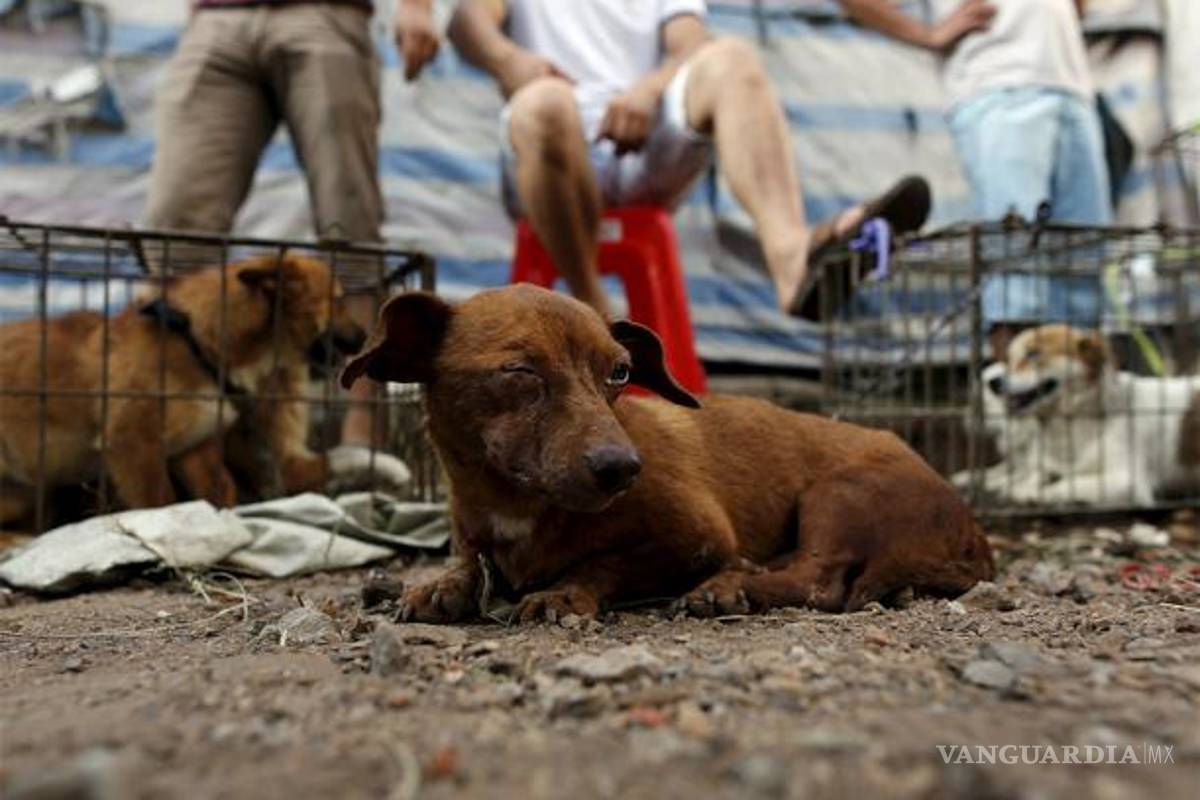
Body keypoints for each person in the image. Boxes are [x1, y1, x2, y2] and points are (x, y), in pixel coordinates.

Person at [449, 0, 931, 321]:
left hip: (639, 151)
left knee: (733, 59)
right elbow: (467, 21)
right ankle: (591, 305)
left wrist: (650, 88)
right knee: (546, 103)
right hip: (546, 158)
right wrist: (509, 60)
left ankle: (792, 258)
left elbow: (691, 44)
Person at [145, 0, 442, 447]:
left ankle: (363, 429)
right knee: (174, 228)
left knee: (349, 223)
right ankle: (167, 416)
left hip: (326, 12)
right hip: (216, 18)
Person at [839, 0, 1112, 355]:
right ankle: (1012, 401)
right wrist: (929, 35)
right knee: (1014, 267)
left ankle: (1074, 403)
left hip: (1073, 87)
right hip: (997, 85)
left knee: (1083, 264)